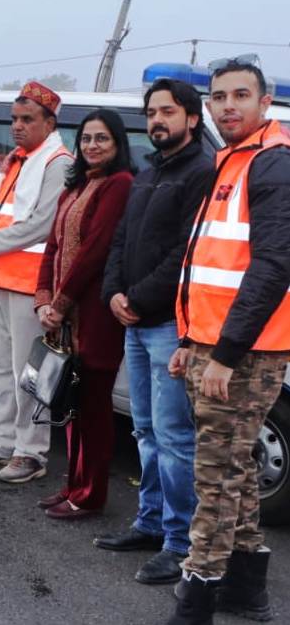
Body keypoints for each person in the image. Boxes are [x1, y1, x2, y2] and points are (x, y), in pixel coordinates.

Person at [166, 61, 290, 625]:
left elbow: (273, 266)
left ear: (265, 104)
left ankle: (198, 600)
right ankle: (247, 593)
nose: (228, 105)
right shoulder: (230, 161)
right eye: (219, 97)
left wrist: (225, 352)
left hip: (244, 353)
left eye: (242, 95)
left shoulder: (272, 164)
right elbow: (210, 264)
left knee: (214, 477)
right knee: (233, 470)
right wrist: (190, 341)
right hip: (212, 346)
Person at [96, 79, 212, 584]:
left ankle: (179, 541)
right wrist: (114, 293)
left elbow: (185, 255)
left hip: (168, 326)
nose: (157, 120)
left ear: (191, 117)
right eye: (151, 113)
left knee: (173, 437)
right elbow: (122, 239)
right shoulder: (147, 172)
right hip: (135, 324)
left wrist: (138, 299)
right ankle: (149, 523)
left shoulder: (201, 173)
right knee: (143, 430)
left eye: (167, 111)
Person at [0, 82, 72, 483]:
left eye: (27, 120)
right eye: (14, 119)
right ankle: (2, 440)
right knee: (2, 370)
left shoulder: (57, 162)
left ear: (49, 122)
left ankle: (32, 452)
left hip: (30, 286)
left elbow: (41, 225)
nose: (17, 127)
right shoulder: (19, 160)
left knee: (31, 377)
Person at [33, 109, 134, 519]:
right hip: (64, 314)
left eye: (102, 139)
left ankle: (90, 493)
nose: (93, 146)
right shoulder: (73, 187)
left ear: (117, 144)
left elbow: (95, 251)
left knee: (92, 405)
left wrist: (60, 305)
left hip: (94, 314)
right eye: (87, 139)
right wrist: (43, 298)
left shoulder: (119, 184)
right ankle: (73, 484)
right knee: (70, 403)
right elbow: (53, 246)